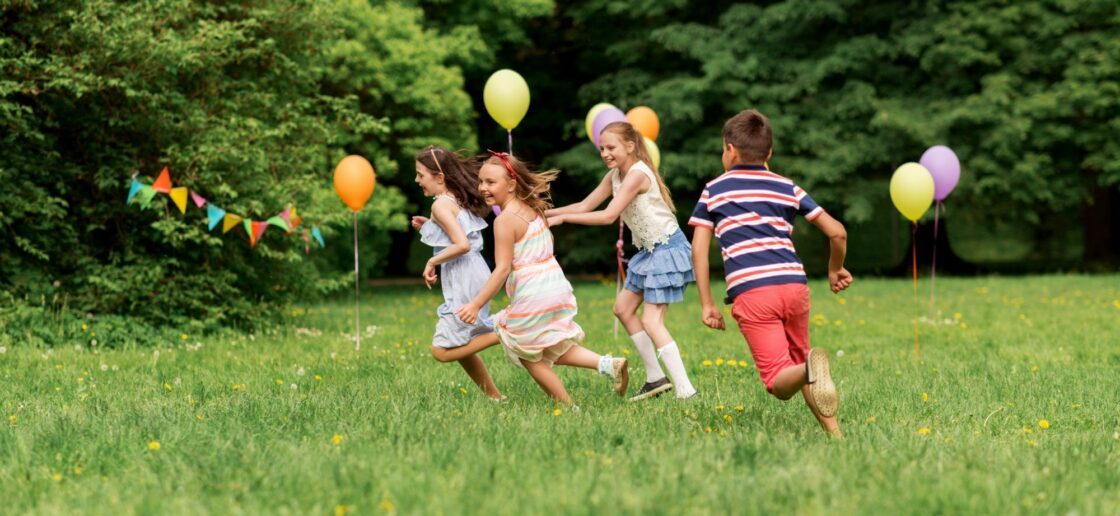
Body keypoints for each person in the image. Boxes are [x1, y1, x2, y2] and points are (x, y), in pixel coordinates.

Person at [689, 110, 851, 437]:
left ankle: (809, 368)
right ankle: (836, 435)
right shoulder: (787, 187)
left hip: (753, 291)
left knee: (779, 381)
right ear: (770, 153)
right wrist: (835, 270)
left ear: (731, 150)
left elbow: (698, 250)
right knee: (800, 363)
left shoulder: (715, 190)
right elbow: (837, 233)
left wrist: (707, 303)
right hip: (793, 284)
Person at [456, 151, 629, 406]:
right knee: (549, 346)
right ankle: (607, 364)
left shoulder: (504, 221)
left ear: (512, 184)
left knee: (527, 353)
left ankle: (568, 409)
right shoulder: (534, 208)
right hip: (554, 284)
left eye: (490, 182)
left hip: (533, 291)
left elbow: (502, 268)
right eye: (481, 181)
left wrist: (475, 304)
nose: (483, 188)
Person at [547, 121, 697, 401]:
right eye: (601, 148)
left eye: (611, 147)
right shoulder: (615, 175)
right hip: (648, 252)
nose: (605, 153)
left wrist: (563, 219)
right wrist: (546, 214)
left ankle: (686, 391)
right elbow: (585, 205)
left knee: (652, 322)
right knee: (623, 309)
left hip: (666, 250)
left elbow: (607, 215)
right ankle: (655, 378)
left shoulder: (638, 174)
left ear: (630, 146)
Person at [411, 146, 503, 400]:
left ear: (439, 177)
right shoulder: (452, 199)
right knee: (460, 344)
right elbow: (459, 234)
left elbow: (461, 244)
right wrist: (430, 226)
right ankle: (494, 396)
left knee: (441, 351)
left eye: (421, 175)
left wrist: (433, 262)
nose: (417, 180)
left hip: (465, 276)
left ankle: (504, 333)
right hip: (472, 272)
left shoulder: (441, 205)